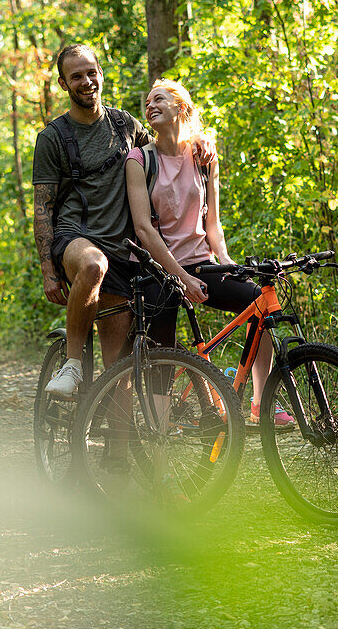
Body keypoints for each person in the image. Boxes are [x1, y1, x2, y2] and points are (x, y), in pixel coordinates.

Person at [124, 78, 293, 425]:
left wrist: (226, 260)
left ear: (181, 108)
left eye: (158, 100)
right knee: (163, 348)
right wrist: (180, 277)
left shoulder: (204, 157)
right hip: (157, 269)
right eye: (147, 103)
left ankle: (261, 404)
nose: (150, 106)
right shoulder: (139, 160)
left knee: (260, 306)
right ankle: (161, 430)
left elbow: (212, 223)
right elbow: (143, 229)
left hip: (202, 263)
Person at [32, 45, 150, 396]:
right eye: (76, 76)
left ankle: (114, 451)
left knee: (119, 378)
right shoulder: (52, 138)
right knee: (93, 265)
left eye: (91, 73)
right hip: (75, 239)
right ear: (64, 84)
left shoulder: (125, 124)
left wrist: (200, 143)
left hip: (123, 250)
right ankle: (72, 364)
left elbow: (164, 153)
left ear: (101, 73)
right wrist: (48, 271)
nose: (86, 81)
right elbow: (42, 208)